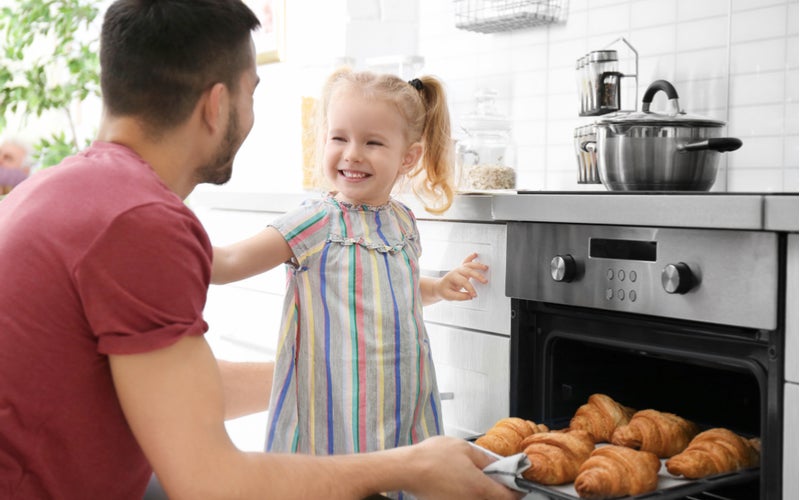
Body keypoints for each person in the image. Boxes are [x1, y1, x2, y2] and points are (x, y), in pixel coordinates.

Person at [0, 1, 518, 500]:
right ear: (217, 104)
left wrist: (334, 373)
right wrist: (411, 464)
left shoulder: (61, 190)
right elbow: (208, 484)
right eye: (254, 92)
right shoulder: (138, 224)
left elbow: (168, 391)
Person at [211, 67, 490, 490]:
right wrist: (155, 238)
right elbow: (230, 262)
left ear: (408, 157)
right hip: (336, 410)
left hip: (402, 398)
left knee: (403, 479)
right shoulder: (315, 221)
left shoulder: (402, 221)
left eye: (372, 142)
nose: (352, 153)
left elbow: (387, 289)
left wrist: (436, 287)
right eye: (339, 138)